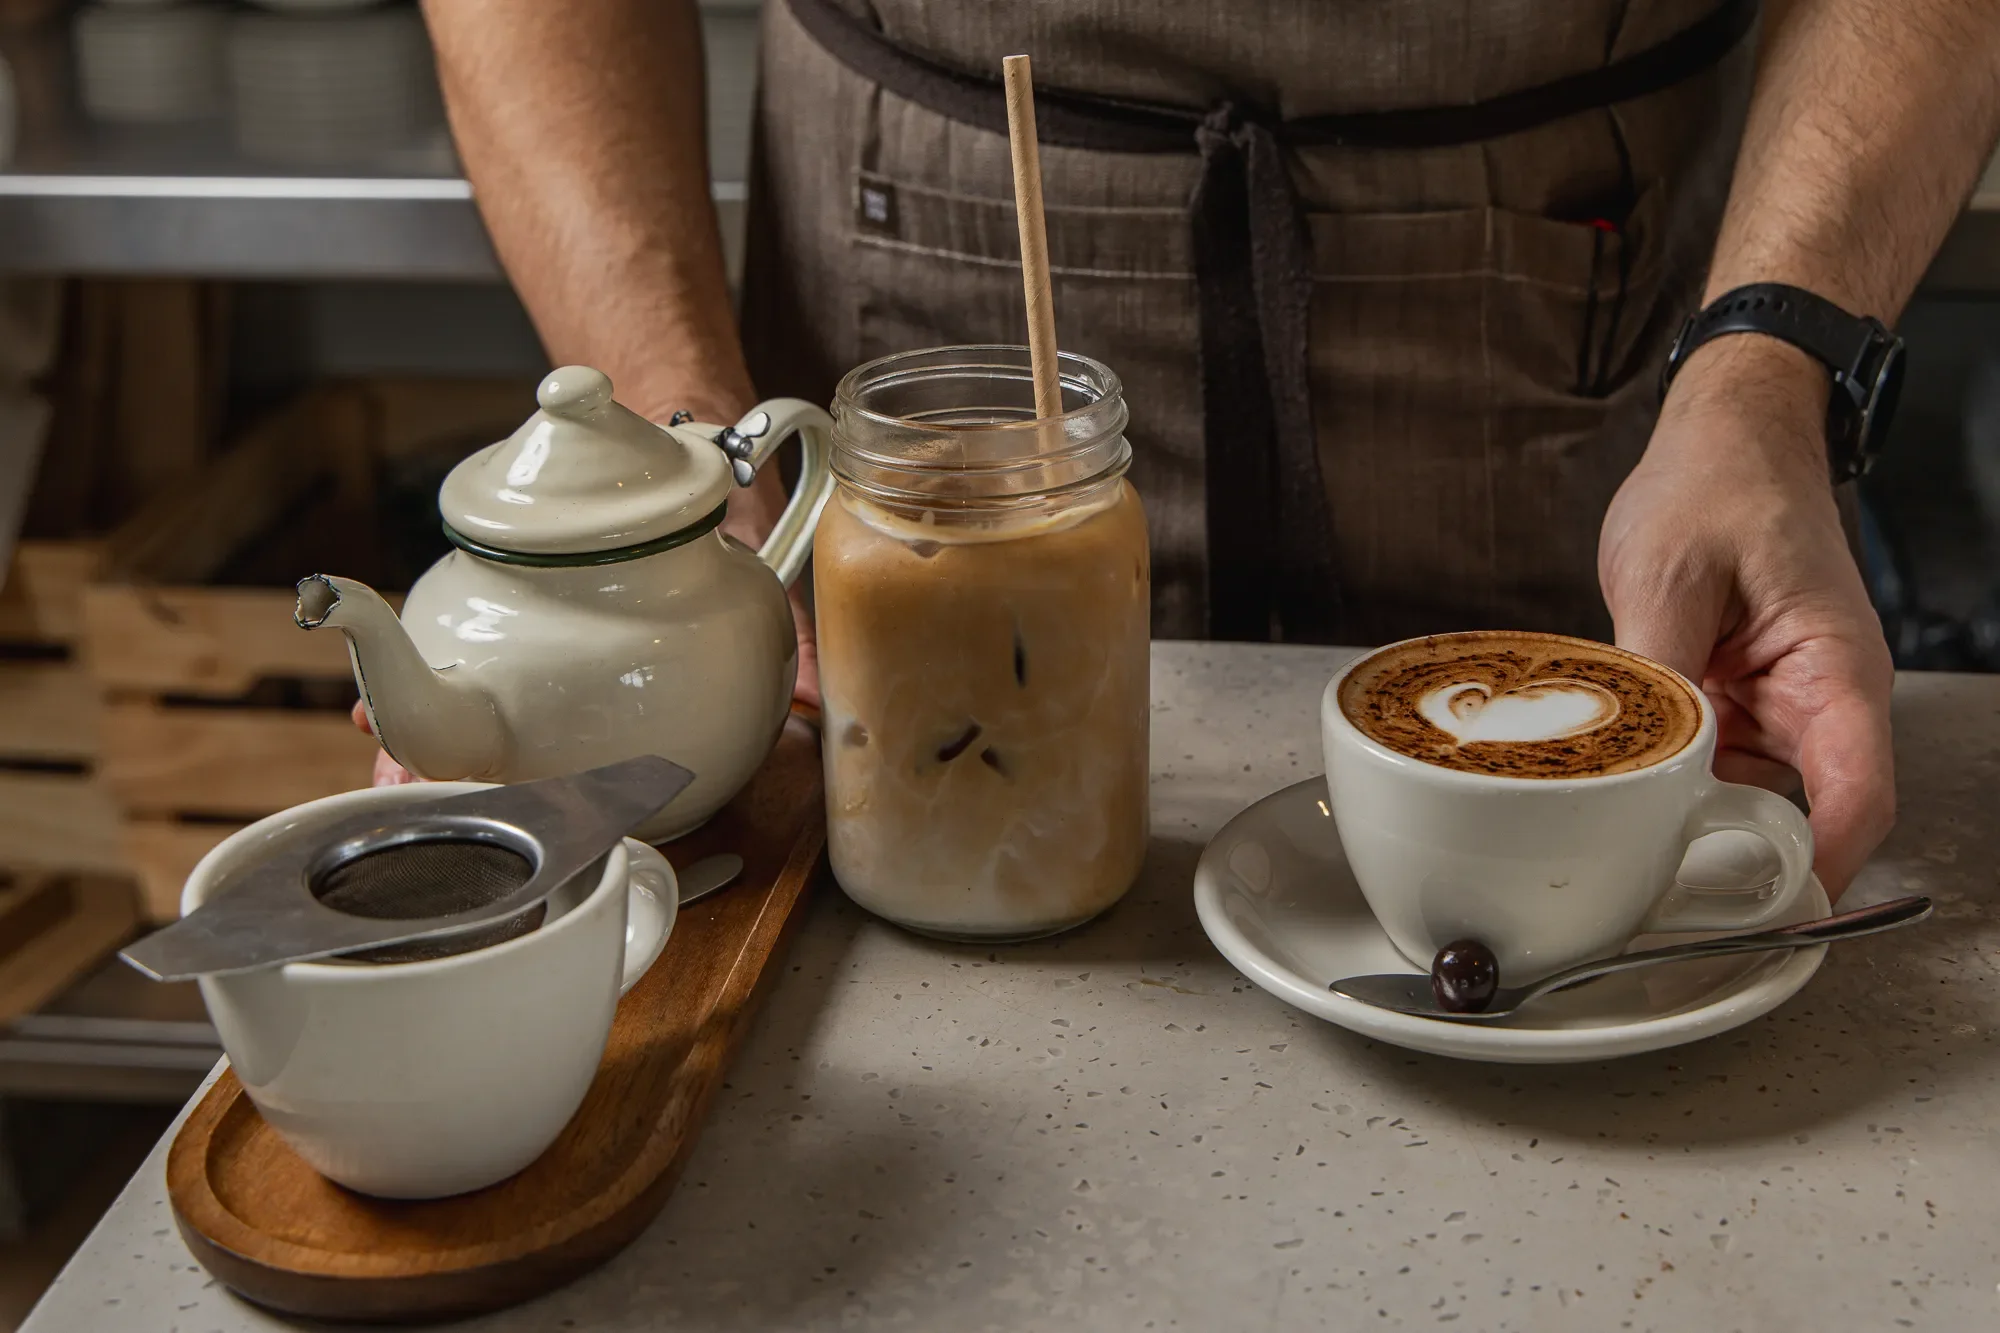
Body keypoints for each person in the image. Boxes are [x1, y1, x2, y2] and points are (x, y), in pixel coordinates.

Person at [388, 0, 2000, 897]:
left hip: (1592, 323)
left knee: (1582, 901)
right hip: (904, 308)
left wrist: (1761, 374)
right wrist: (686, 478)